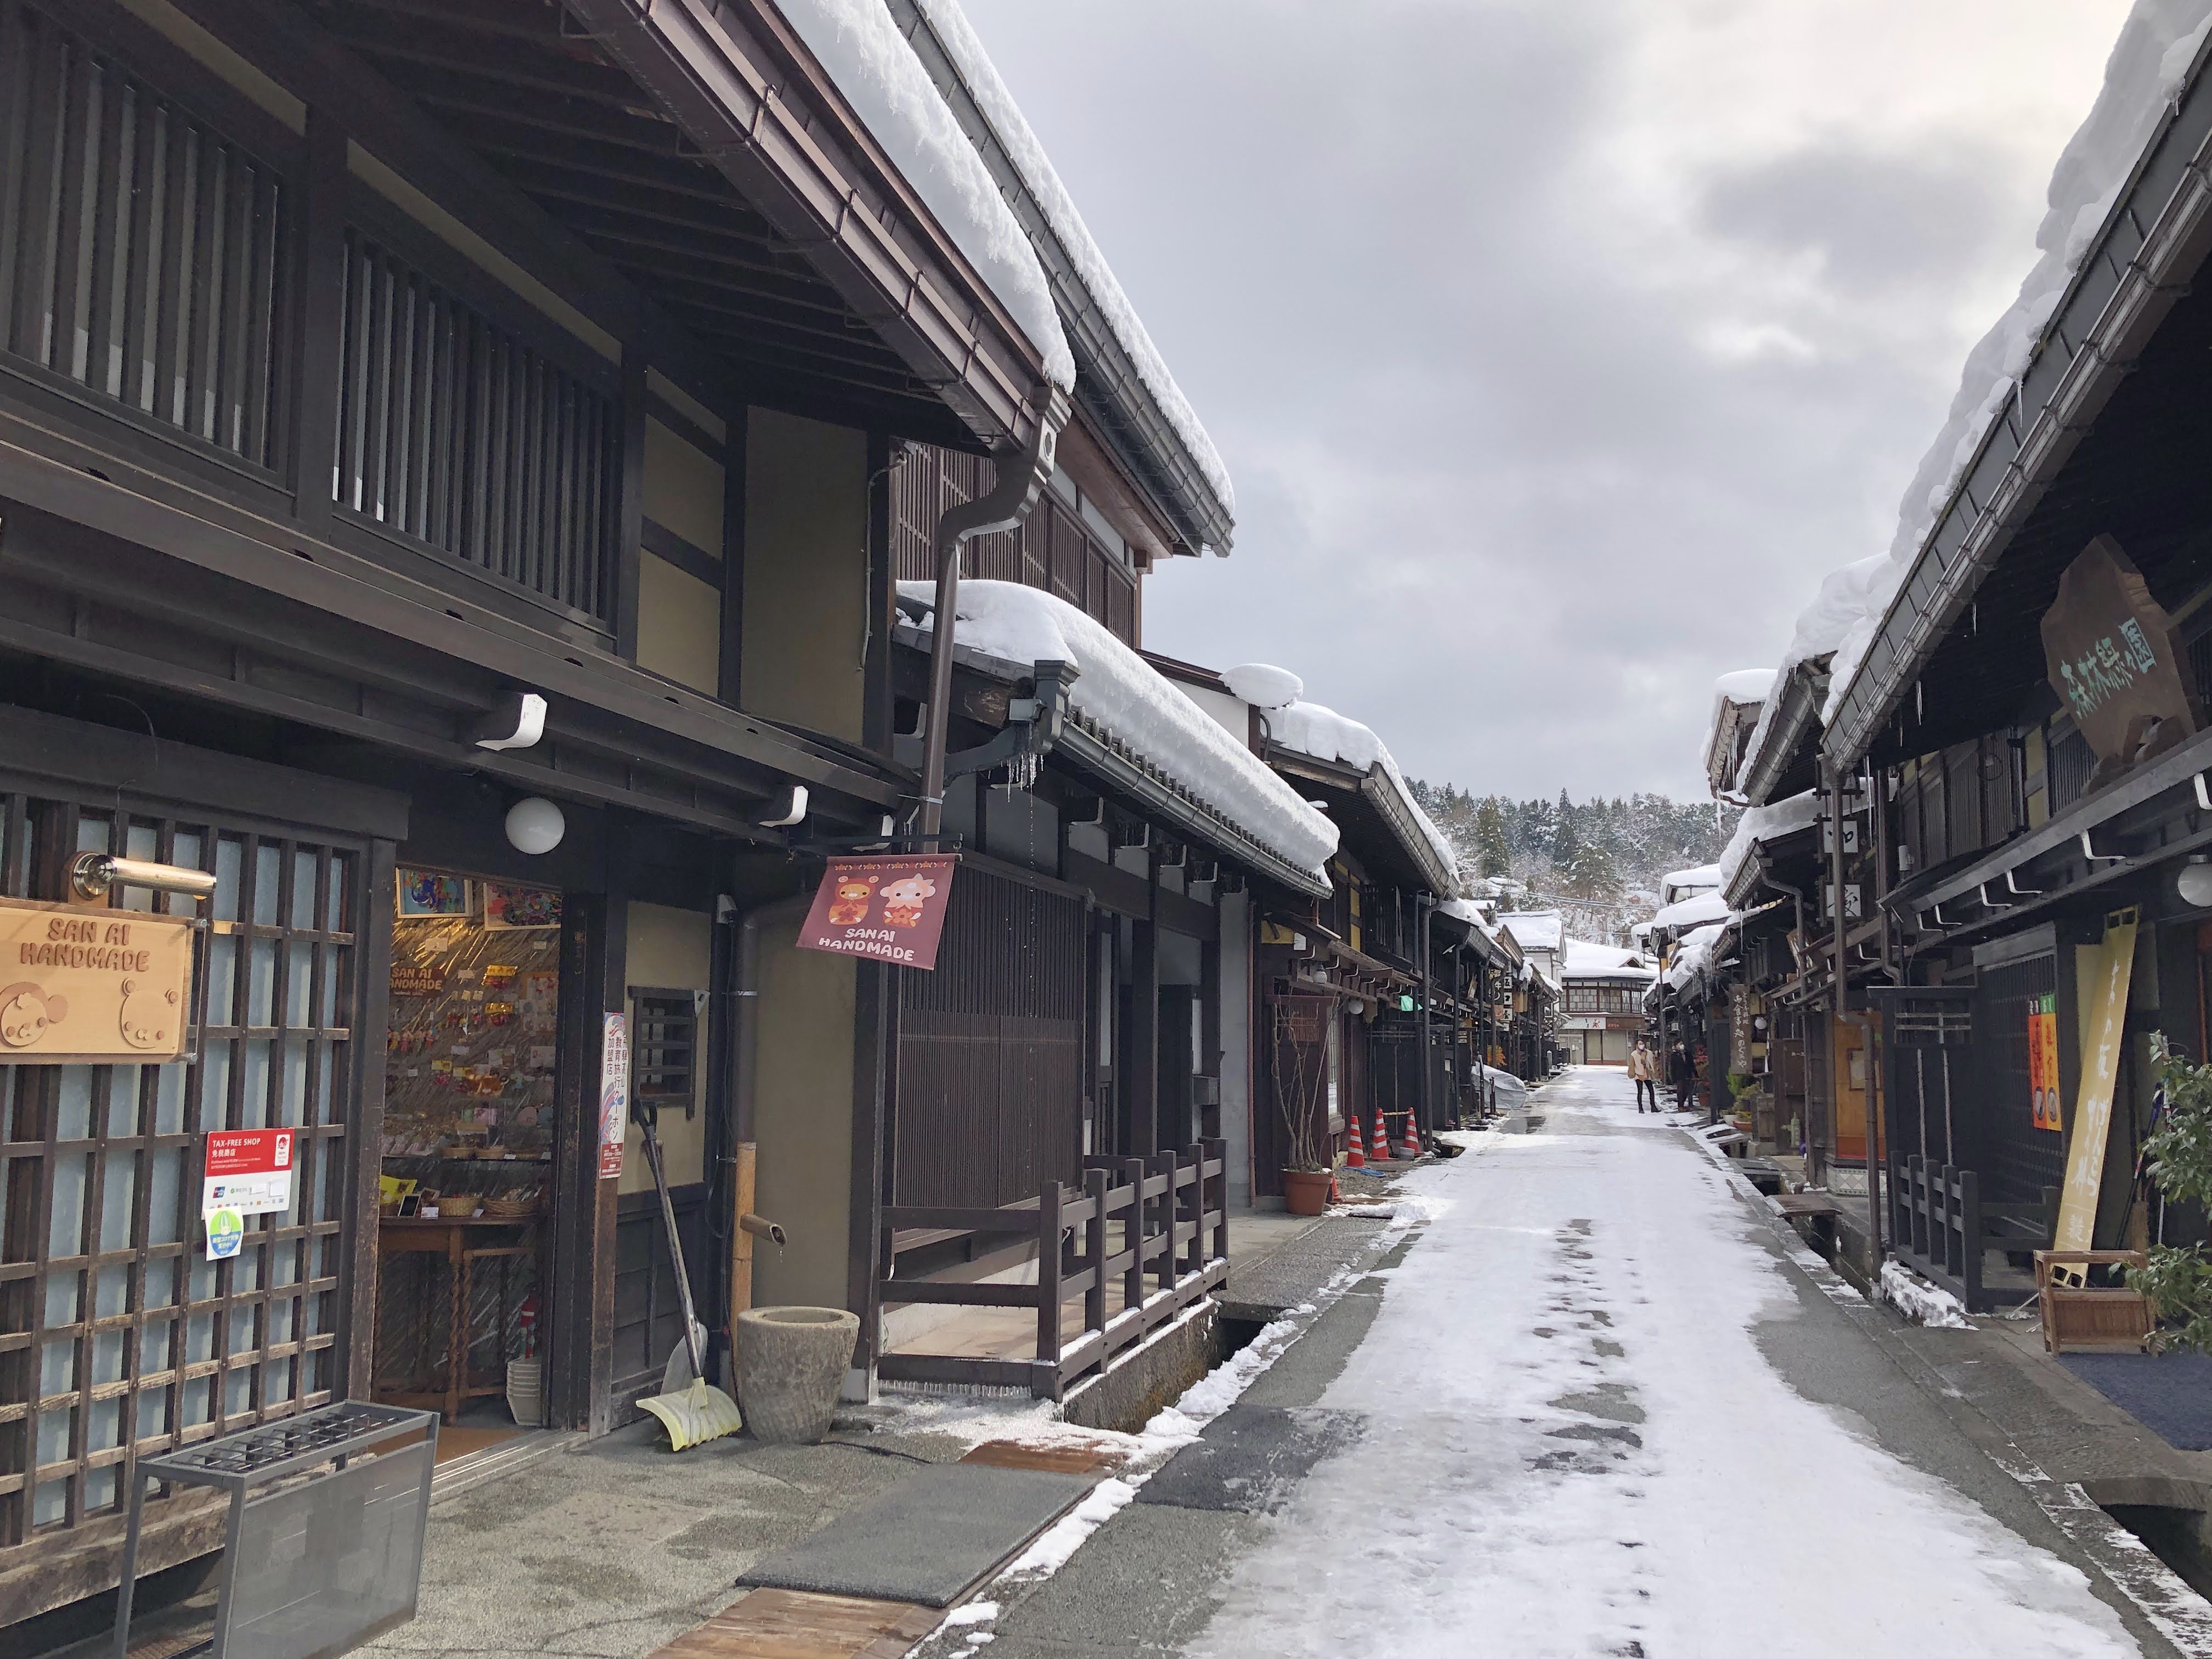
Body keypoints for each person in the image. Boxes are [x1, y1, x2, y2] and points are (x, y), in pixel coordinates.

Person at [1628, 1040, 1658, 1112]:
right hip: (1638, 1075)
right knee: (1640, 1091)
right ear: (1637, 1045)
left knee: (1651, 1091)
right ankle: (1640, 1108)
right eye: (1640, 1044)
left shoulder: (1649, 1053)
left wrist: (1654, 1072)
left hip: (1647, 1074)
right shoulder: (1634, 1054)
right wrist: (1632, 1074)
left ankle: (1653, 1107)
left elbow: (1652, 1063)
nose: (1642, 1045)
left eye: (1643, 1044)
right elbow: (1632, 1065)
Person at [1668, 1041, 1696, 1113]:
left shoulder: (1688, 1054)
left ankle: (1687, 1104)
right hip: (1679, 1076)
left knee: (1687, 1090)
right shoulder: (1674, 1055)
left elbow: (1692, 1064)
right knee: (1681, 1091)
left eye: (1682, 1044)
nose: (1681, 1046)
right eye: (1679, 1044)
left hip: (1687, 1074)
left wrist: (1695, 1074)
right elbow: (1673, 1067)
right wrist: (1673, 1078)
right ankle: (1680, 1105)